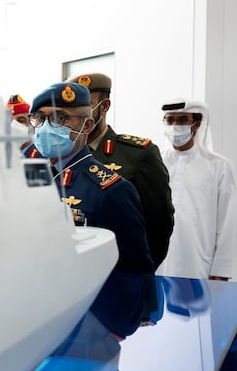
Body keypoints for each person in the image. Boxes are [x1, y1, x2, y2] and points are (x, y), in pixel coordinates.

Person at [30, 81, 155, 333]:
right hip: (40, 319)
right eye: (40, 119)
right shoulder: (29, 180)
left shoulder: (110, 189)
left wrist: (116, 330)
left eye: (59, 118)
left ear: (86, 125)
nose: (45, 128)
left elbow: (132, 269)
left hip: (90, 326)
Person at [66, 72, 174, 271]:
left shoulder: (138, 155)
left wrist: (140, 274)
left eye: (85, 105)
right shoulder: (62, 155)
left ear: (104, 106)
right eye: (72, 109)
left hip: (120, 274)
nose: (78, 114)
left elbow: (159, 223)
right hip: (74, 275)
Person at [159, 99, 237, 280]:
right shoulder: (156, 162)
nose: (175, 126)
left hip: (198, 262)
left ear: (197, 124)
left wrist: (220, 271)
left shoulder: (219, 166)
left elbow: (226, 222)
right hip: (159, 262)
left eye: (182, 119)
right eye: (170, 120)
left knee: (199, 308)